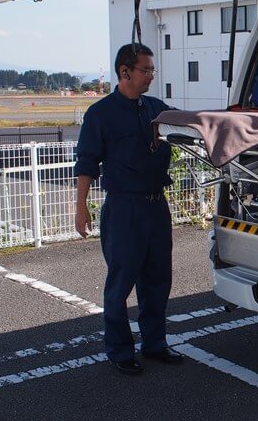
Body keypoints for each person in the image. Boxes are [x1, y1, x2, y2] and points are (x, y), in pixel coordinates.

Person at [74, 43, 183, 374]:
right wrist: (81, 207)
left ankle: (155, 343)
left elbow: (185, 126)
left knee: (158, 279)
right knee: (121, 282)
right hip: (124, 208)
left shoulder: (156, 108)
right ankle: (120, 350)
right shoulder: (100, 114)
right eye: (145, 70)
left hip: (155, 206)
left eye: (152, 70)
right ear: (125, 72)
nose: (151, 75)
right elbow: (87, 163)